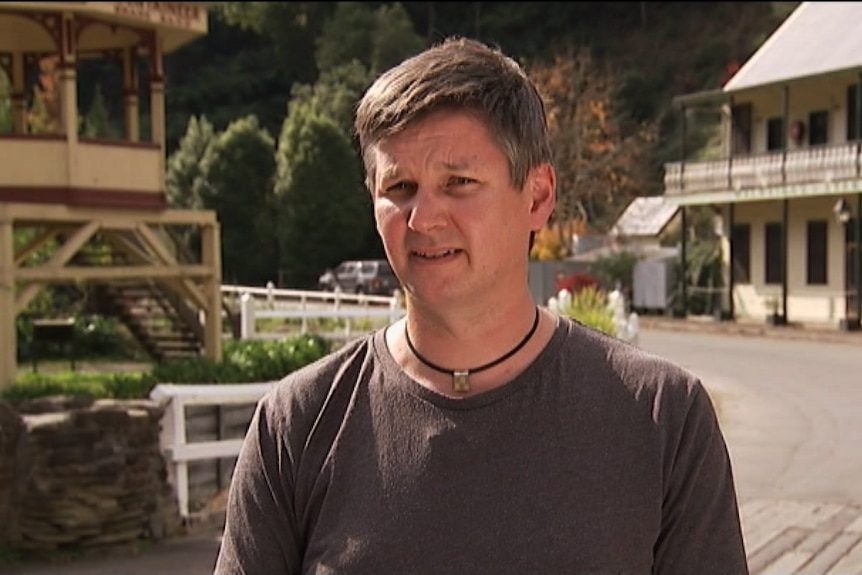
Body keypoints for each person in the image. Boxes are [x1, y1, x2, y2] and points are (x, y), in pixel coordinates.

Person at [214, 36, 748, 574]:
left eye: (459, 183)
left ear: (537, 196)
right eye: (399, 187)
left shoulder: (660, 418)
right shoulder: (297, 426)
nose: (422, 218)